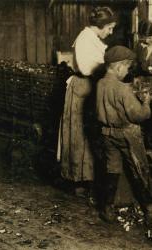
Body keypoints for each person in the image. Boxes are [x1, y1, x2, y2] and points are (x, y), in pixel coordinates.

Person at [96, 45, 152, 223]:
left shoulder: (100, 83)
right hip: (126, 134)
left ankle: (107, 208)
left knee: (112, 169)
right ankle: (150, 208)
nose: (127, 71)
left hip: (107, 134)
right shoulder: (122, 89)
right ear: (118, 67)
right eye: (126, 67)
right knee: (139, 168)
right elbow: (138, 116)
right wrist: (146, 102)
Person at [57, 7, 116, 202]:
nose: (111, 32)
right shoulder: (84, 38)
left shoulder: (94, 39)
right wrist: (107, 67)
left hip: (91, 88)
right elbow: (85, 67)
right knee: (79, 135)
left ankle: (87, 178)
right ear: (101, 26)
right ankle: (78, 181)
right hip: (82, 88)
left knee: (89, 136)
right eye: (110, 28)